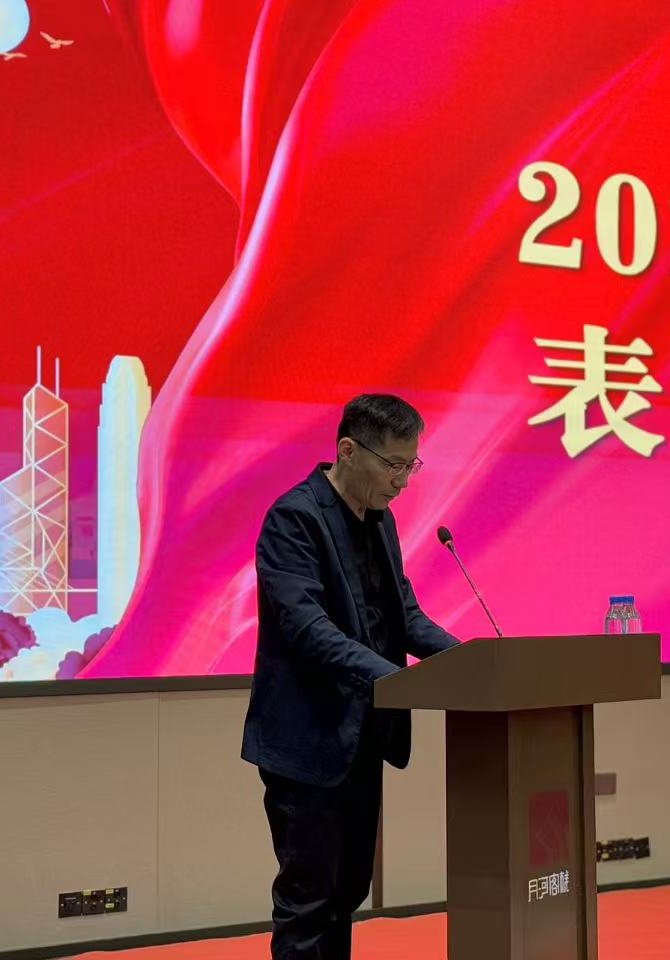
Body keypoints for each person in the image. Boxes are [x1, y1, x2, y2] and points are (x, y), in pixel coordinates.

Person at [242, 393, 459, 960]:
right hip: (307, 742)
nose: (403, 481)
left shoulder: (380, 523)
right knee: (309, 900)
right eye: (393, 465)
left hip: (364, 738)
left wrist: (468, 659)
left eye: (411, 465)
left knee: (347, 893)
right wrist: (393, 678)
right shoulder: (294, 519)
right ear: (348, 450)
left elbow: (405, 616)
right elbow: (307, 628)